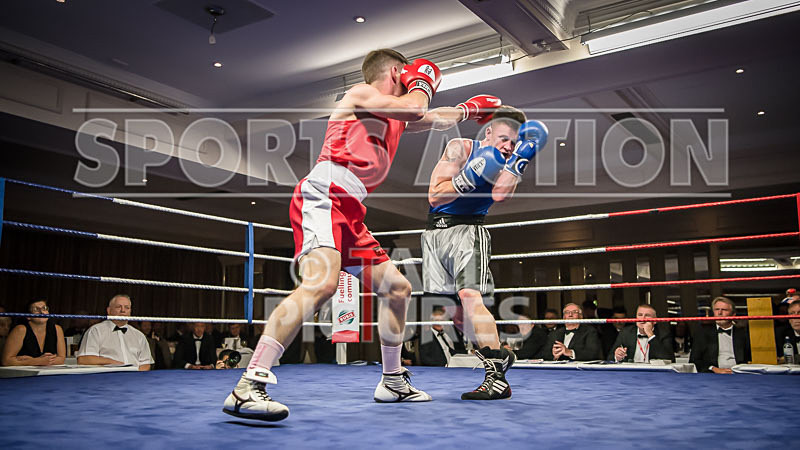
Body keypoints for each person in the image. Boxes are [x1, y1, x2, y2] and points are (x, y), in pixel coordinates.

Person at [223, 48, 494, 421]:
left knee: (398, 288)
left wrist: (467, 109)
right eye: (410, 75)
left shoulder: (394, 112)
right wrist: (424, 80)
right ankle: (249, 385)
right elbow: (417, 107)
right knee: (321, 284)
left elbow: (431, 118)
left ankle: (392, 381)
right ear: (398, 72)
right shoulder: (361, 94)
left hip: (351, 208)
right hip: (324, 195)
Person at [422, 110, 547, 400]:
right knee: (453, 314)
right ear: (488, 133)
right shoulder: (462, 148)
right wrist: (468, 177)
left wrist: (518, 161)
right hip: (434, 234)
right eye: (504, 139)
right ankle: (499, 356)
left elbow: (502, 195)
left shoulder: (509, 164)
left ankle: (496, 378)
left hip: (469, 232)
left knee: (470, 297)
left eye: (515, 143)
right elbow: (434, 195)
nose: (508, 146)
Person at [76, 294, 152, 370]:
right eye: (118, 307)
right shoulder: (96, 331)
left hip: (134, 378)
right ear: (109, 310)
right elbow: (84, 359)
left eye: (127, 307)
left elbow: (145, 363)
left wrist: (136, 377)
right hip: (106, 378)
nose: (123, 310)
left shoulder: (139, 335)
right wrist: (114, 363)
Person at [689, 296, 750, 373]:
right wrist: (714, 369)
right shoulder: (702, 333)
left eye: (724, 310)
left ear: (733, 314)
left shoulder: (742, 334)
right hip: (712, 376)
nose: (720, 313)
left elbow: (750, 359)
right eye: (717, 309)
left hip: (739, 374)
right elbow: (694, 360)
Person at [1, 300, 65, 366]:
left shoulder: (57, 329)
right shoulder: (20, 330)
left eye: (44, 308)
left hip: (47, 373)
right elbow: (6, 361)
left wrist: (32, 360)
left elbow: (61, 359)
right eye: (36, 309)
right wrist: (37, 361)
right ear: (28, 316)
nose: (41, 312)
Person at [609, 304, 674, 363]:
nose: (643, 319)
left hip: (654, 373)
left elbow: (669, 359)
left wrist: (650, 335)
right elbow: (609, 358)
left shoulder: (664, 334)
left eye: (647, 315)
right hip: (631, 373)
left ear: (655, 321)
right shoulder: (626, 332)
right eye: (640, 315)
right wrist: (617, 356)